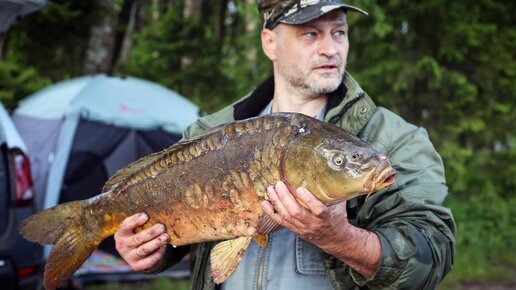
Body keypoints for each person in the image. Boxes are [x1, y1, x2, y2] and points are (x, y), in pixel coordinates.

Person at [114, 1, 456, 289]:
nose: (330, 48)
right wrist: (152, 253)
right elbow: (181, 227)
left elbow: (432, 257)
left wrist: (342, 238)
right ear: (269, 43)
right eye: (311, 33)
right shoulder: (208, 132)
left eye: (339, 32)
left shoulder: (395, 140)